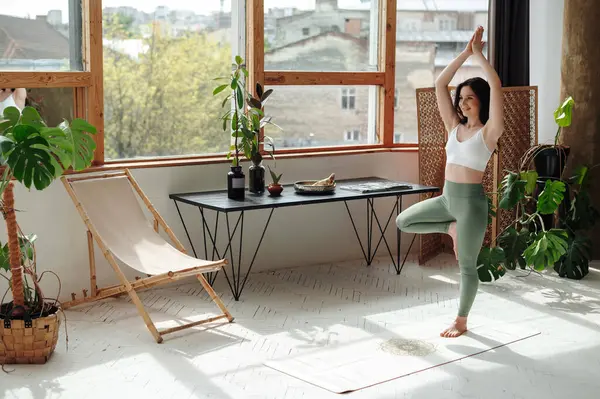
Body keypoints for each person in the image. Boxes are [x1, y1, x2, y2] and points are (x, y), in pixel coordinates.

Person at [396, 26, 503, 338]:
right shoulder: (453, 126)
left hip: (471, 205)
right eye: (462, 98)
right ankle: (448, 228)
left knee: (467, 267)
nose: (464, 102)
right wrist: (465, 53)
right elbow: (440, 83)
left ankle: (461, 321)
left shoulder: (489, 132)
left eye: (471, 98)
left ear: (482, 101)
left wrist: (480, 56)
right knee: (404, 221)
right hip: (447, 199)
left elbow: (496, 85)